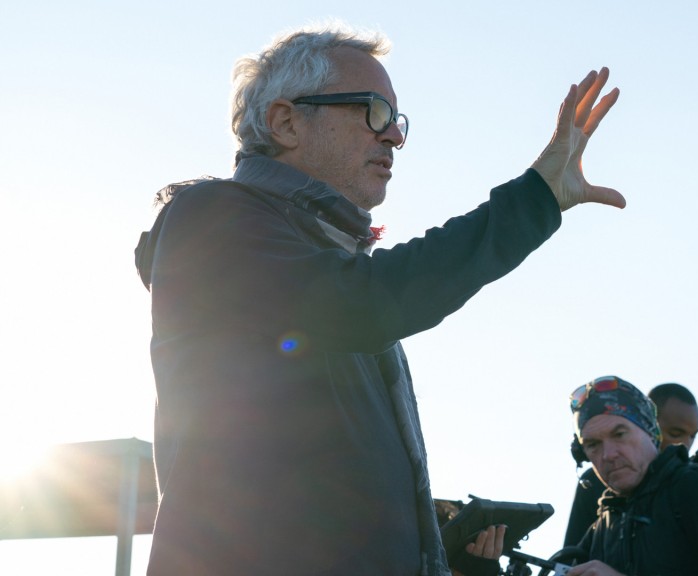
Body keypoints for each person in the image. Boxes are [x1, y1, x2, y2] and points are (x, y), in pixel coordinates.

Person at [134, 21, 624, 576]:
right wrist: (535, 199)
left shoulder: (332, 269)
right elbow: (361, 304)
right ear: (286, 121)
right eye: (373, 111)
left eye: (396, 120)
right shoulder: (212, 219)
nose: (392, 135)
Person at [566, 376, 698, 576]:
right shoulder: (601, 529)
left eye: (619, 434)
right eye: (593, 445)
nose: (608, 454)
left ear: (651, 432)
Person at [564, 382, 698, 547]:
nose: (685, 445)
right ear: (650, 427)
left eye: (692, 436)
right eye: (675, 434)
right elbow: (569, 562)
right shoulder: (596, 486)